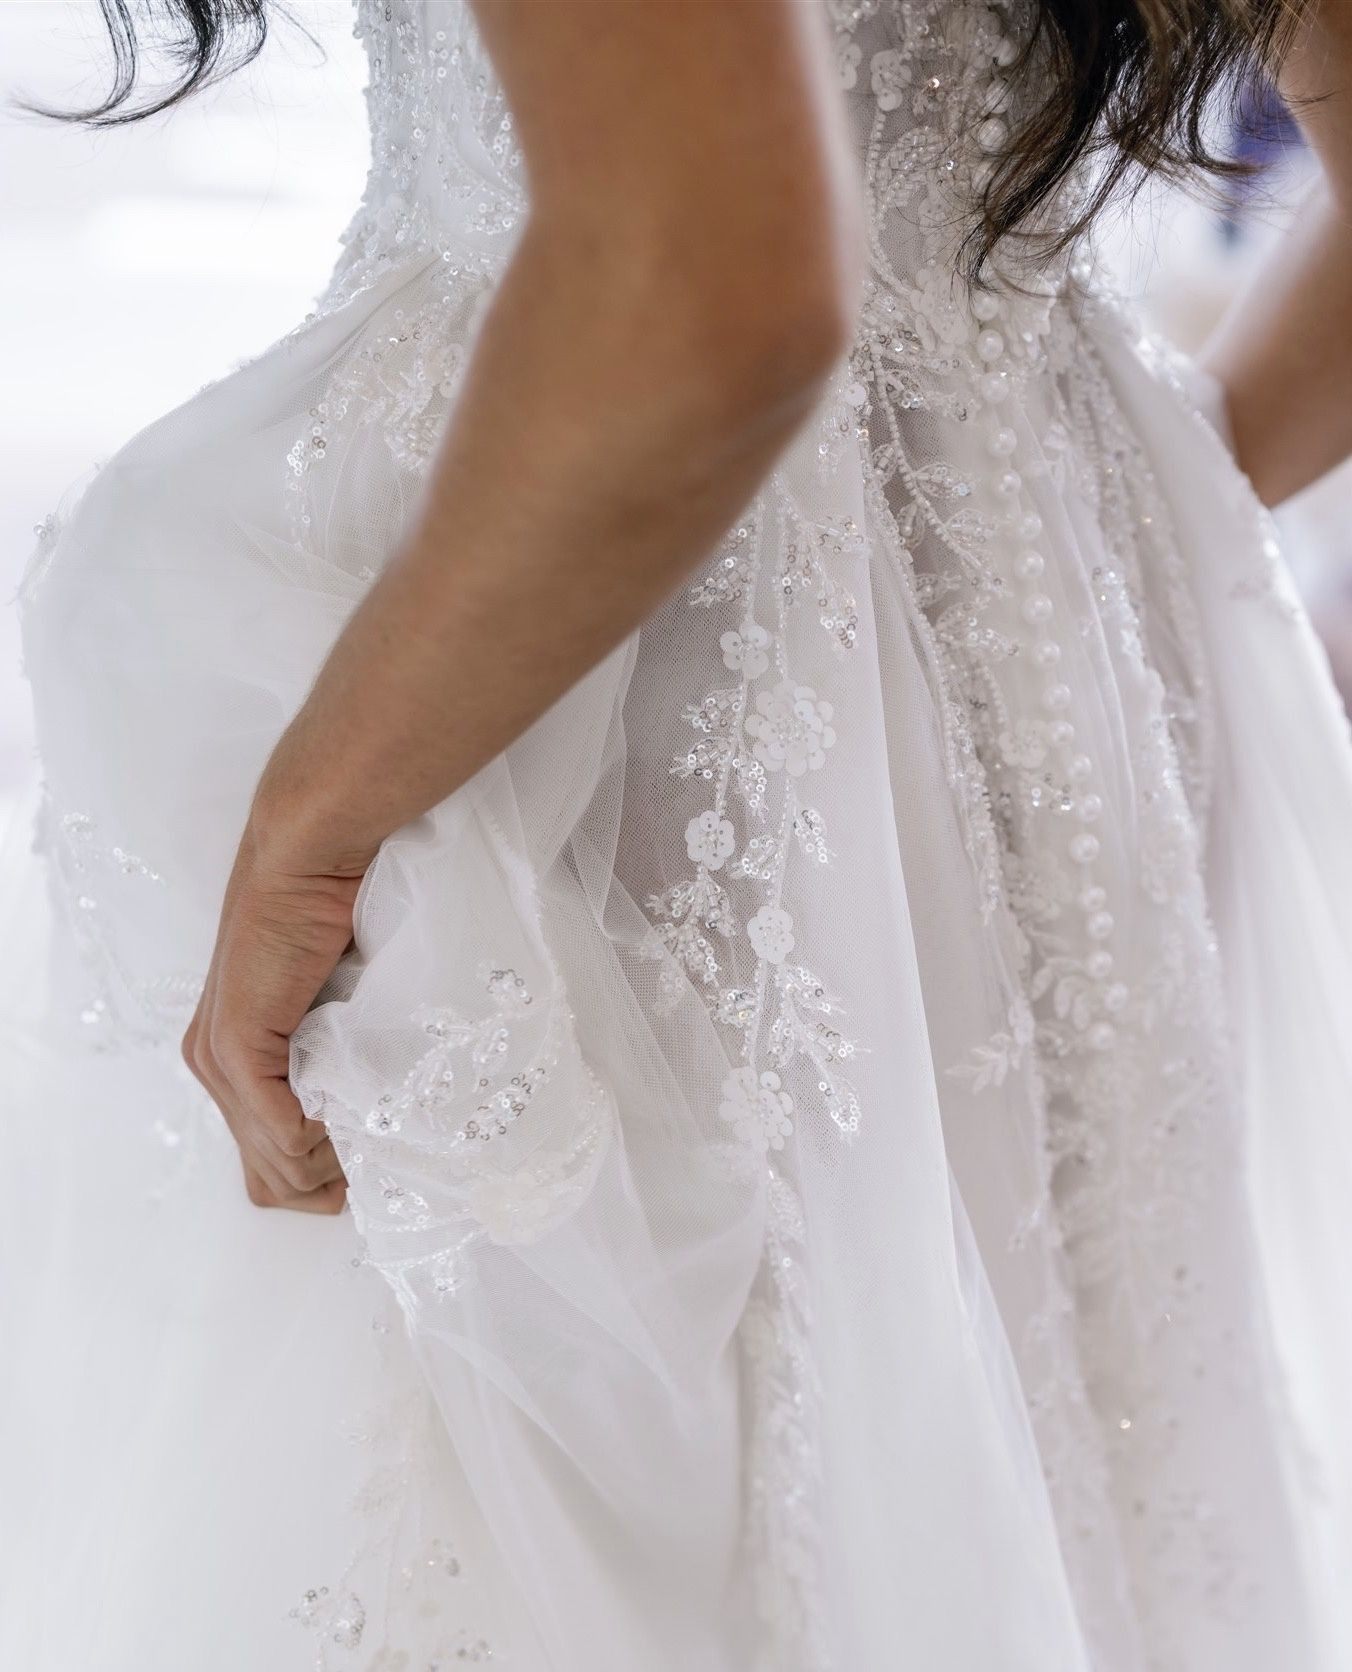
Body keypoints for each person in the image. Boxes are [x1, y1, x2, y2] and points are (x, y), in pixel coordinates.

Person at [3, 0, 1352, 1666]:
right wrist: (1061, 540)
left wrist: (315, 819)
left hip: (615, 681)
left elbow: (713, 282)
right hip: (1035, 649)